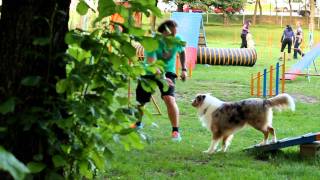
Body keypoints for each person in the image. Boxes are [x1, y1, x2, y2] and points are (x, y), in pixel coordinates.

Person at [132, 20, 187, 142]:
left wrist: (184, 69)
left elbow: (182, 51)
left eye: (175, 33)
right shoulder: (152, 42)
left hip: (168, 71)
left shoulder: (177, 39)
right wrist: (163, 79)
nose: (174, 36)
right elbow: (152, 63)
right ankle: (138, 123)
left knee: (169, 98)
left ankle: (175, 131)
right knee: (141, 101)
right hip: (149, 71)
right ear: (163, 32)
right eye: (171, 34)